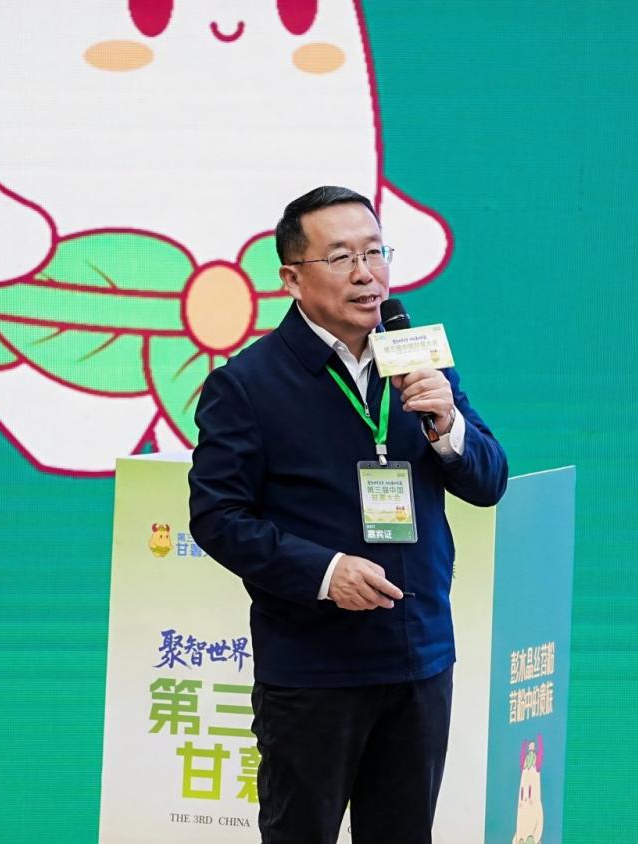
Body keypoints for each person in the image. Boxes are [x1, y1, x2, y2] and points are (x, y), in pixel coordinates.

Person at [188, 185, 508, 844]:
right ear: (292, 279)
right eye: (341, 258)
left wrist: (447, 424)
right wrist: (325, 571)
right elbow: (217, 516)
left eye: (375, 253)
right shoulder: (247, 385)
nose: (367, 274)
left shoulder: (417, 358)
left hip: (420, 657)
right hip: (314, 668)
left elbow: (488, 481)